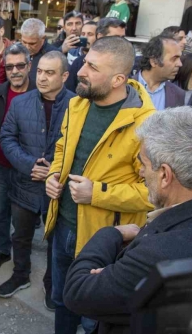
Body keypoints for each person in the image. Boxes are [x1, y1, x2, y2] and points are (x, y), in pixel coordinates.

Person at [63, 107, 192, 334]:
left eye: (143, 163)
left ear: (164, 175)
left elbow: (77, 292)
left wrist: (111, 235)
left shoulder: (157, 254)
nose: (141, 172)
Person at [44, 36, 155, 334]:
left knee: (96, 316)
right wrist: (54, 175)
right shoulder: (77, 104)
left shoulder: (148, 125)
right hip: (63, 225)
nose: (80, 70)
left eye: (92, 67)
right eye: (84, 61)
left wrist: (98, 193)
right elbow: (61, 149)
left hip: (105, 238)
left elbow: (153, 195)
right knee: (63, 300)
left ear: (118, 79)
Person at [0, 50, 74, 310]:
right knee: (20, 235)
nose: (41, 77)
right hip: (25, 183)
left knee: (56, 240)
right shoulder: (20, 103)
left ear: (64, 76)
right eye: (39, 71)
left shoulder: (78, 106)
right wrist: (30, 165)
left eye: (49, 73)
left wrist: (54, 170)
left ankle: (52, 284)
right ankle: (20, 275)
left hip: (58, 189)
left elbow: (81, 149)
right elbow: (7, 138)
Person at [0, 43, 38, 273]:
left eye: (20, 65)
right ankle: (2, 250)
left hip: (29, 169)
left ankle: (21, 258)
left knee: (23, 218)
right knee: (0, 212)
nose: (15, 71)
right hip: (1, 166)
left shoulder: (41, 94)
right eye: (9, 67)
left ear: (29, 65)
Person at [65, 18, 126, 92]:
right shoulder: (79, 63)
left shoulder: (126, 63)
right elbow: (69, 92)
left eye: (123, 37)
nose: (122, 42)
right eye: (116, 37)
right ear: (100, 37)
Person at [133, 35, 184, 110]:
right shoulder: (124, 87)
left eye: (180, 58)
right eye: (174, 59)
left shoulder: (178, 94)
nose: (180, 64)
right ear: (154, 61)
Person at [19, 18, 60, 83]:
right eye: (24, 42)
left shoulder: (55, 56)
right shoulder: (16, 51)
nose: (27, 47)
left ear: (43, 38)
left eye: (32, 43)